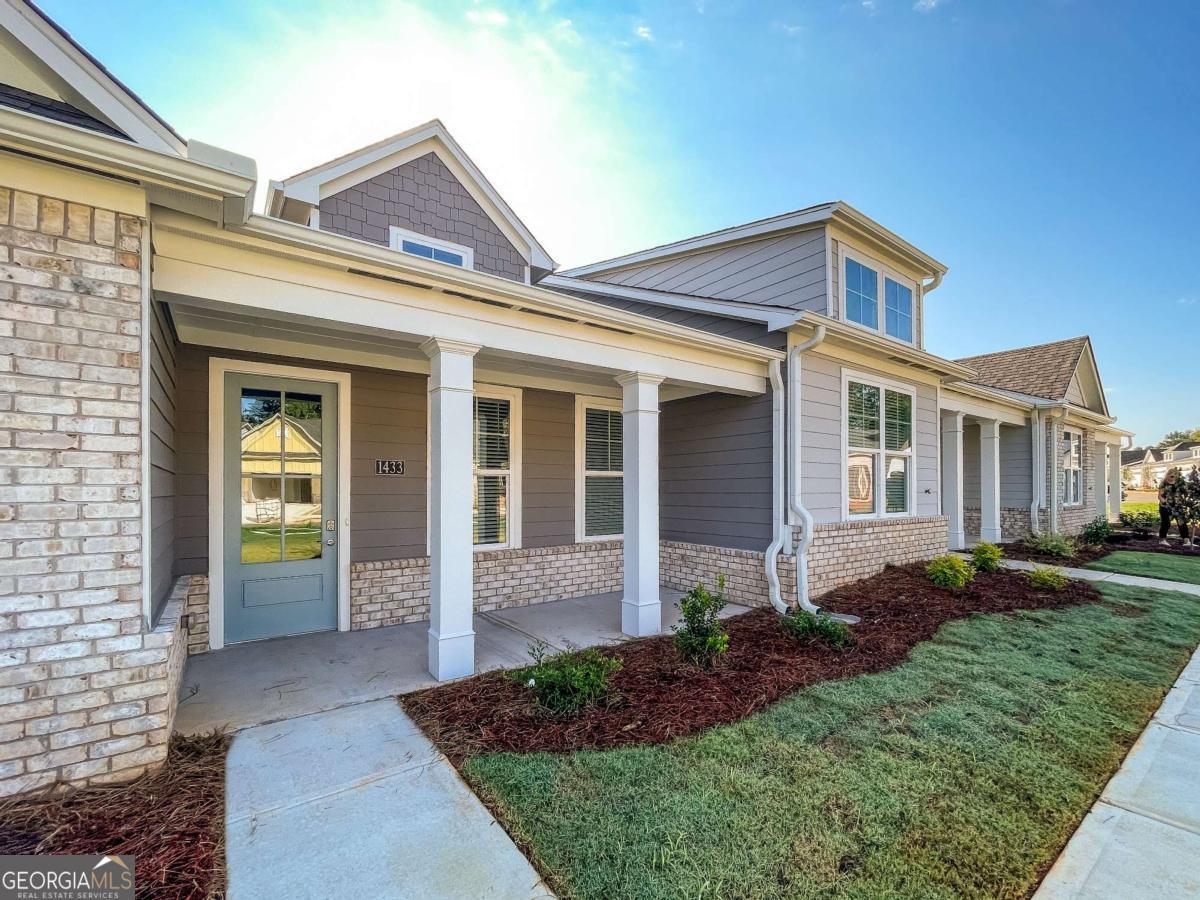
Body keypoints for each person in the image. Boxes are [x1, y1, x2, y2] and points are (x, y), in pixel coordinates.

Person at [1158, 468, 1192, 546]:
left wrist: (1186, 499)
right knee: (1166, 523)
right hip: (1165, 507)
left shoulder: (1181, 482)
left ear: (1176, 476)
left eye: (1172, 476)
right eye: (1169, 476)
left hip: (1178, 506)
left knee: (1182, 523)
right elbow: (1160, 496)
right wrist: (1165, 503)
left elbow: (1186, 492)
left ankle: (1186, 541)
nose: (1170, 478)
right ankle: (1162, 540)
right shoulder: (1163, 483)